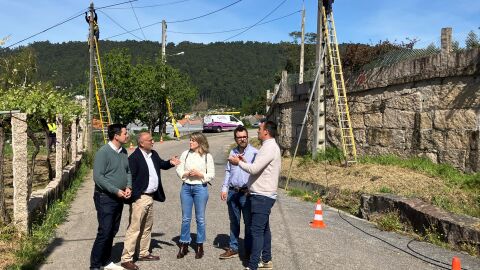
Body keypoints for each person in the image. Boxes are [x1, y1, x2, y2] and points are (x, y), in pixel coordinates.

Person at [120, 132, 180, 270]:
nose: (153, 142)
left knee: (147, 227)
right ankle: (126, 259)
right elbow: (129, 178)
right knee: (134, 229)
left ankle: (143, 253)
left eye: (152, 139)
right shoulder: (134, 158)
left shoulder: (153, 154)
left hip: (150, 197)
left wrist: (170, 162)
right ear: (141, 143)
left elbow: (162, 164)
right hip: (140, 198)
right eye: (150, 140)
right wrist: (134, 196)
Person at [228, 120, 281, 270]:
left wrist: (238, 163)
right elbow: (258, 168)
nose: (257, 132)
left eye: (259, 129)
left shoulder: (268, 147)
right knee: (264, 229)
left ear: (266, 132)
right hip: (263, 195)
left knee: (256, 231)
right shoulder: (268, 147)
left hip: (262, 196)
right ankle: (266, 260)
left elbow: (254, 169)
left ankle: (252, 266)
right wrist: (244, 161)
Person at [90, 124, 131, 270]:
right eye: (125, 133)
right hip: (105, 197)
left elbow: (128, 171)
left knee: (113, 230)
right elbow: (98, 177)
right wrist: (115, 190)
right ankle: (95, 265)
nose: (127, 135)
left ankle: (106, 262)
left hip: (119, 196)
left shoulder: (123, 151)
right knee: (105, 231)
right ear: (116, 136)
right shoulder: (103, 152)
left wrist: (128, 186)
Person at [219, 126, 258, 260]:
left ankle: (248, 250)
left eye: (244, 137)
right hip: (232, 192)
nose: (242, 139)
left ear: (247, 137)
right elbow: (228, 171)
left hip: (247, 193)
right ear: (235, 138)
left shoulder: (254, 153)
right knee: (234, 222)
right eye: (239, 137)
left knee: (249, 223)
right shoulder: (232, 152)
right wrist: (224, 188)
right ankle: (233, 248)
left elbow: (256, 172)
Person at [176, 132, 215, 259]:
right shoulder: (185, 154)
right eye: (190, 140)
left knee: (200, 219)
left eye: (193, 140)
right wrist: (186, 173)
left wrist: (200, 174)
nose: (190, 142)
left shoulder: (207, 156)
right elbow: (179, 169)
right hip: (186, 187)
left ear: (199, 142)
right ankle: (184, 244)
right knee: (186, 218)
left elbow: (211, 174)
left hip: (200, 188)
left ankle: (199, 245)